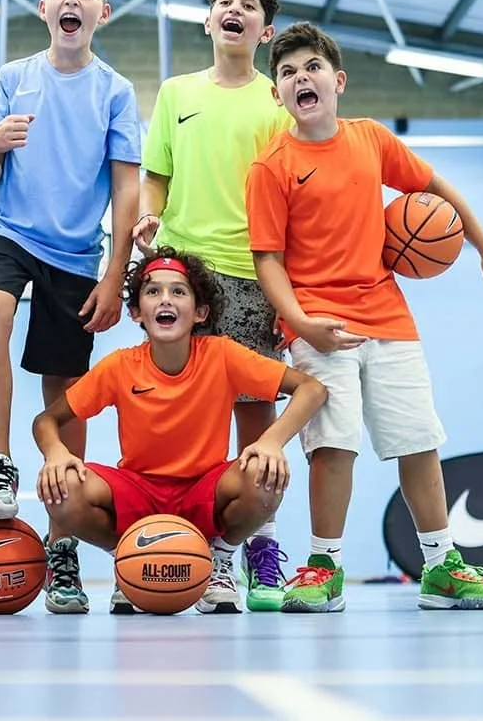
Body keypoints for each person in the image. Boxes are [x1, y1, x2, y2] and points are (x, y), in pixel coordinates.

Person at [245, 21, 483, 612]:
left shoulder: (370, 138)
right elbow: (267, 260)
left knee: (418, 441)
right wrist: (300, 323)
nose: (300, 78)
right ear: (277, 95)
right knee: (332, 447)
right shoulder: (271, 166)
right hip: (319, 323)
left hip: (389, 318)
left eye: (311, 68)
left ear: (337, 81)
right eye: (286, 73)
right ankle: (324, 569)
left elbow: (434, 187)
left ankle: (441, 566)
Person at [0, 0, 143, 614]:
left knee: (64, 396)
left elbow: (127, 191)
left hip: (76, 253)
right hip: (10, 232)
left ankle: (63, 546)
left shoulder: (116, 92)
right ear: (44, 11)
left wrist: (116, 272)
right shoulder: (15, 78)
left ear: (103, 12)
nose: (72, 0)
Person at [32, 249, 328, 614]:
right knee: (61, 490)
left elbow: (311, 388)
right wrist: (57, 454)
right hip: (139, 490)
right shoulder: (120, 366)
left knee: (265, 474)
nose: (165, 300)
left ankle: (219, 560)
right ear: (137, 311)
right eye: (153, 292)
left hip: (204, 489)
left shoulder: (222, 355)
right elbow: (45, 421)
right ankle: (131, 557)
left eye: (179, 291)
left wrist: (271, 441)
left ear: (200, 312)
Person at [131, 0, 294, 612]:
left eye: (247, 6)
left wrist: (289, 285)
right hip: (183, 272)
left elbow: (291, 194)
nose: (234, 11)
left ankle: (257, 548)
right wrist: (149, 218)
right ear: (207, 21)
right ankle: (197, 553)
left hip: (255, 273)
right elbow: (156, 177)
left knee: (257, 425)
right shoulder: (176, 93)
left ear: (264, 29)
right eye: (224, 2)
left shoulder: (277, 103)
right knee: (189, 426)